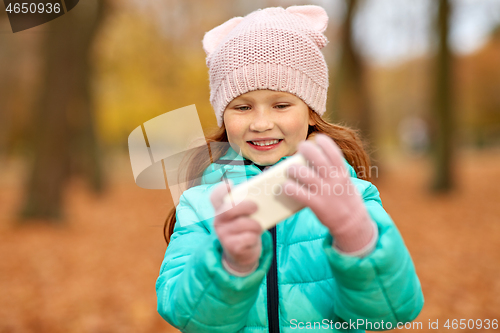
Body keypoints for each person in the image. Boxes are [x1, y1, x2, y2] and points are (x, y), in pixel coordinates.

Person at [156, 5, 424, 332]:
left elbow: (392, 312)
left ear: (311, 111)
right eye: (242, 106)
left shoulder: (353, 196)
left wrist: (357, 241)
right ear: (222, 117)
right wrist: (230, 268)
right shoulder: (200, 205)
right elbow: (186, 317)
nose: (261, 122)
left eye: (281, 105)